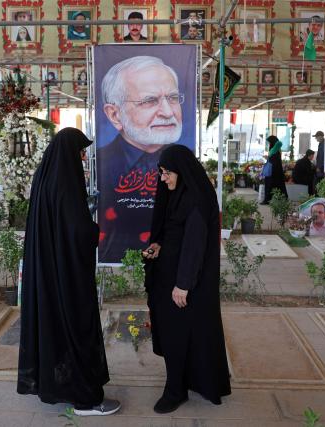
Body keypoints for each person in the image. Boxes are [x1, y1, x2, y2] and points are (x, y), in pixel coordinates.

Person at [17, 128, 120, 416]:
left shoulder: (46, 175)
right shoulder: (66, 181)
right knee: (76, 327)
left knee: (56, 328)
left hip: (50, 272)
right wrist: (95, 226)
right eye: (81, 151)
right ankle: (85, 398)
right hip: (67, 275)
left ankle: (61, 386)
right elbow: (79, 231)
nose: (83, 157)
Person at [143, 144, 230, 414]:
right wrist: (157, 245)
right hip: (169, 276)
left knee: (177, 336)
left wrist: (182, 285)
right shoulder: (176, 194)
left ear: (181, 171)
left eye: (167, 172)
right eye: (161, 172)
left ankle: (175, 390)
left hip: (184, 283)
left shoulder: (196, 200)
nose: (163, 178)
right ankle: (184, 379)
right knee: (175, 335)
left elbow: (194, 245)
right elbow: (172, 232)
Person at [98, 56, 184, 262]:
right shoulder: (100, 165)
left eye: (172, 98)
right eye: (149, 101)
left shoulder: (186, 165)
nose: (167, 112)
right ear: (115, 115)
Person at [262, 136, 287, 204]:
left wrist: (268, 158)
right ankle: (276, 200)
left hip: (273, 173)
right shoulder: (275, 150)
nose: (269, 144)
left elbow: (274, 162)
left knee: (270, 186)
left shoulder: (275, 151)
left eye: (269, 142)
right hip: (276, 173)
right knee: (277, 186)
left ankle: (267, 200)